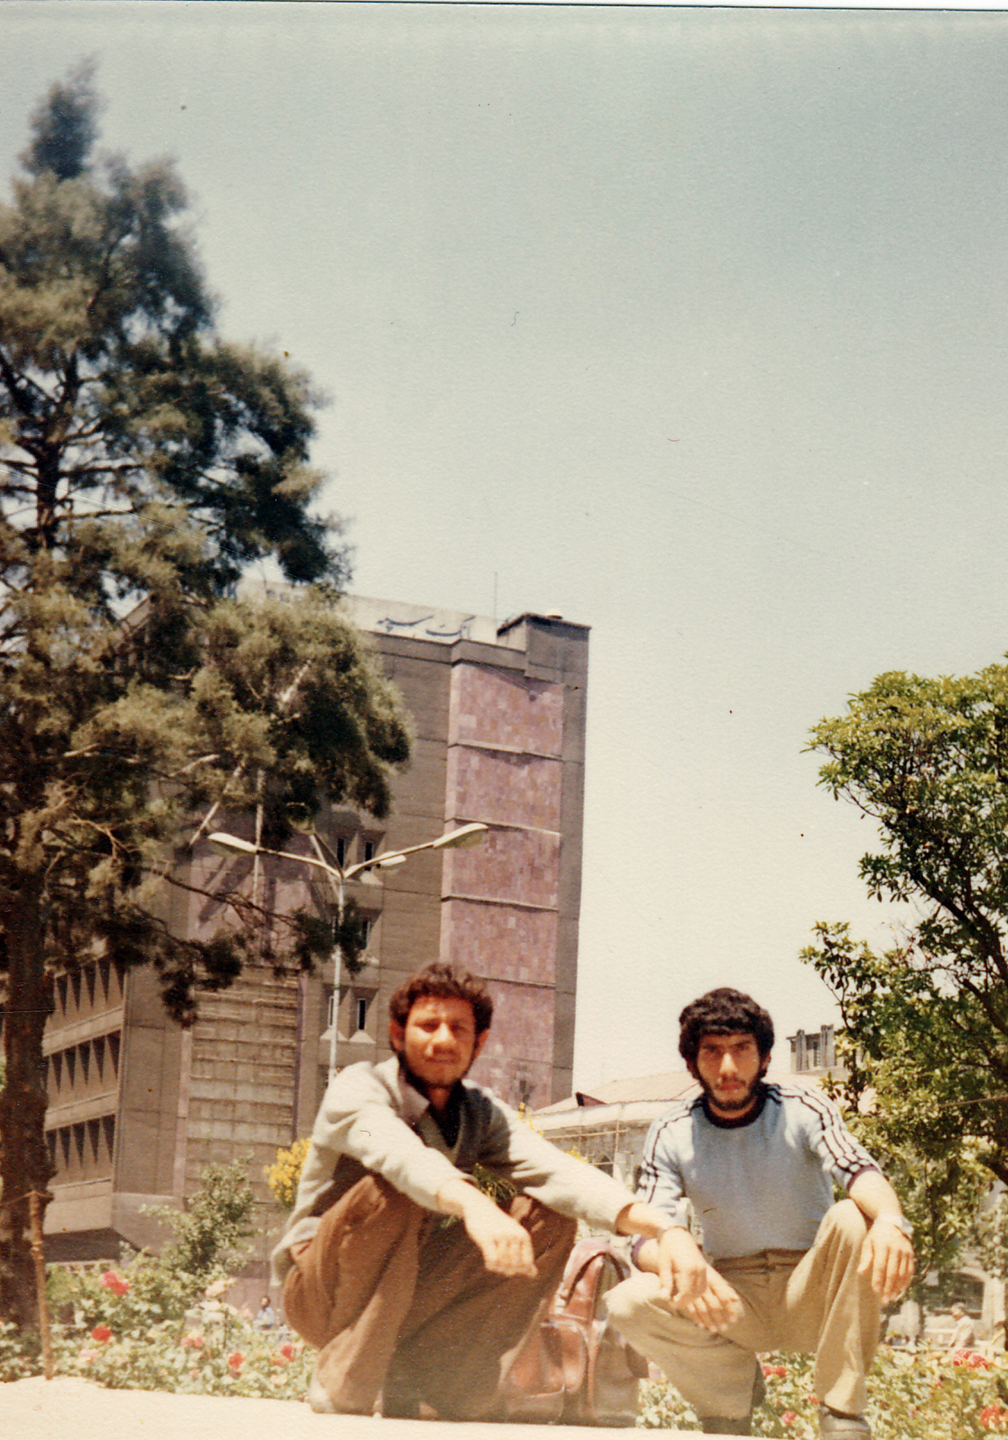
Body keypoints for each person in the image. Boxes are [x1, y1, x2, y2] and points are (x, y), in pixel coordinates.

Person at [272, 961, 679, 1419]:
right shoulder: (358, 1089)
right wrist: (474, 1206)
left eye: (458, 1028)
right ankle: (345, 1380)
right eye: (428, 1025)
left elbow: (560, 1173)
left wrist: (666, 1230)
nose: (443, 1040)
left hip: (408, 1282)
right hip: (321, 1290)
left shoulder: (479, 1113)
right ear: (397, 1034)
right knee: (395, 1191)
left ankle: (437, 1386)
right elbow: (398, 1156)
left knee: (548, 1217)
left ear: (479, 1042)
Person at [605, 988, 915, 1439]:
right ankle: (727, 1403)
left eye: (742, 1049)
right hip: (728, 1296)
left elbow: (858, 1170)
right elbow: (643, 1237)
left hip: (812, 1288)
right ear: (693, 1063)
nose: (728, 1068)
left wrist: (890, 1221)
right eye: (712, 1052)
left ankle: (842, 1414)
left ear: (765, 1057)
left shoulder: (802, 1106)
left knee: (856, 1217)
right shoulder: (671, 1131)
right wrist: (686, 1264)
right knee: (627, 1301)